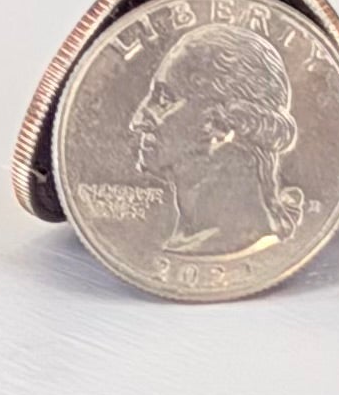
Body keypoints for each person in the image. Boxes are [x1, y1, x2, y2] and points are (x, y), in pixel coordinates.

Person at [127, 19, 308, 260]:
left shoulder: (236, 240)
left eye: (163, 100)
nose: (137, 121)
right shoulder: (185, 240)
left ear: (221, 125)